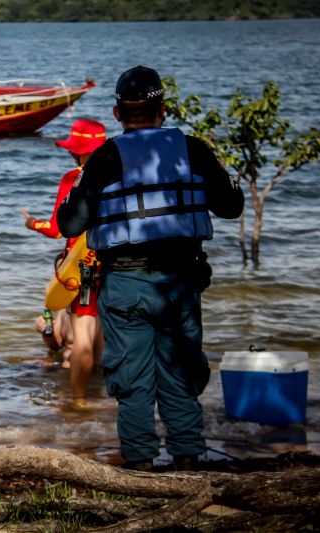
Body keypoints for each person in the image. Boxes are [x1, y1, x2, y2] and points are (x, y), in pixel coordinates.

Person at [57, 66, 244, 471]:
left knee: (132, 381)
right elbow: (231, 207)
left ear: (118, 113)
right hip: (180, 282)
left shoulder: (106, 156)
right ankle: (188, 462)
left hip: (124, 283)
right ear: (163, 108)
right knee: (180, 375)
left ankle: (140, 465)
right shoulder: (193, 149)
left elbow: (69, 225)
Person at [21, 119, 107, 405]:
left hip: (83, 264)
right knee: (102, 333)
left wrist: (33, 223)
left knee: (82, 333)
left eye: (73, 149)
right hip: (117, 261)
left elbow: (58, 227)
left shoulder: (76, 177)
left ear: (81, 150)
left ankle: (80, 403)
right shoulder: (123, 174)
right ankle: (101, 397)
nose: (71, 154)